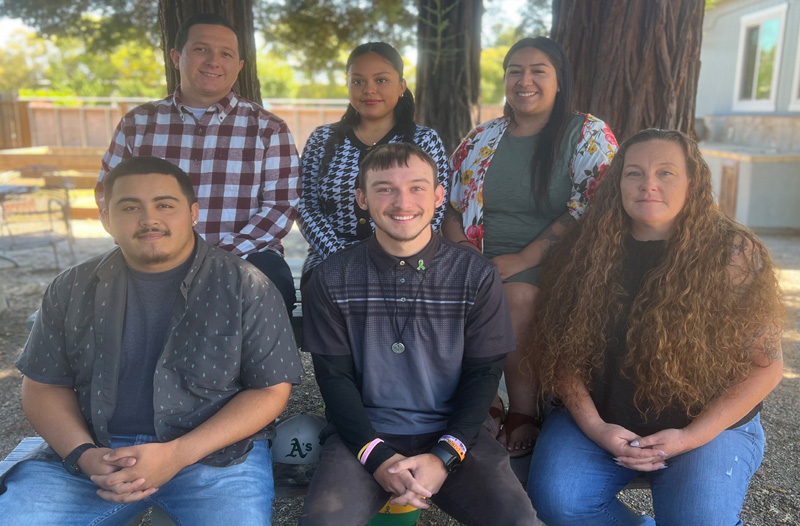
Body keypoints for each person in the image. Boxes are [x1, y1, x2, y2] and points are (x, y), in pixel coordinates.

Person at [1, 157, 303, 525]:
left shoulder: (246, 285)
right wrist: (82, 454)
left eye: (165, 205)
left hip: (215, 456)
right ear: (106, 218)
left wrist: (177, 454)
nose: (149, 219)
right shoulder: (71, 287)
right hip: (97, 454)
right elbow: (43, 385)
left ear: (193, 212)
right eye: (130, 207)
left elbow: (271, 390)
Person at [525, 129, 784, 525]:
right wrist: (595, 427)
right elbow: (560, 353)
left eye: (665, 173)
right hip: (601, 419)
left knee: (699, 519)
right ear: (619, 183)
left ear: (692, 183)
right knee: (559, 502)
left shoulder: (731, 253)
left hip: (707, 428)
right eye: (634, 173)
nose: (648, 184)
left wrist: (690, 437)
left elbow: (765, 367)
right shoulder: (586, 250)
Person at [299, 143, 540, 525]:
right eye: (384, 188)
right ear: (362, 198)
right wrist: (377, 458)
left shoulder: (475, 275)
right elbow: (334, 379)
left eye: (416, 187)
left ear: (439, 196)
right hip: (363, 436)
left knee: (518, 522)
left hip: (456, 434)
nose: (401, 201)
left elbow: (484, 375)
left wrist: (445, 455)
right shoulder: (332, 276)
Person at [443, 36, 617, 456]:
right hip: (479, 255)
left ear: (559, 80)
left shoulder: (587, 134)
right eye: (515, 71)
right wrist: (466, 252)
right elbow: (448, 205)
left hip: (558, 261)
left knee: (515, 296)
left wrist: (523, 258)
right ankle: (483, 401)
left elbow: (591, 210)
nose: (525, 80)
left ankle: (524, 409)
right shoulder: (482, 138)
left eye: (539, 70)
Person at [96, 13, 301, 315]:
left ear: (239, 66)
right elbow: (108, 194)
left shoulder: (268, 128)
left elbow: (281, 206)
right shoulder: (138, 124)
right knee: (99, 295)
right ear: (177, 57)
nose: (213, 61)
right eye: (201, 49)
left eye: (226, 54)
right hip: (153, 253)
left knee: (273, 286)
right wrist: (153, 248)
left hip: (245, 256)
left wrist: (214, 257)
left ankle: (249, 365)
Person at [297, 42, 448, 288]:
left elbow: (433, 211)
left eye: (381, 80)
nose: (369, 90)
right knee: (324, 292)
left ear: (401, 86)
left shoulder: (424, 140)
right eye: (358, 81)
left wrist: (389, 258)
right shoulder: (322, 139)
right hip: (329, 257)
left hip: (407, 258)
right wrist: (340, 256)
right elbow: (306, 206)